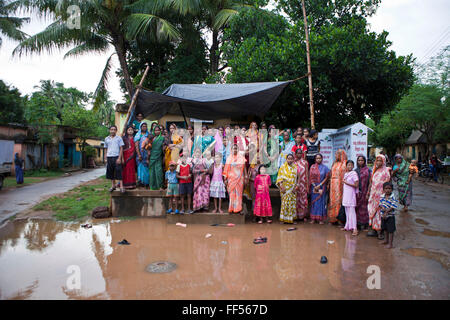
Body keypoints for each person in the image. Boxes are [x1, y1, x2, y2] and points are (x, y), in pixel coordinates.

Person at [367, 154, 392, 239]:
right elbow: (371, 183)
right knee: (373, 213)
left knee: (380, 214)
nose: (378, 162)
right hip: (373, 196)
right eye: (377, 160)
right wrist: (368, 192)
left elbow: (388, 185)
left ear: (384, 161)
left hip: (381, 196)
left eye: (380, 160)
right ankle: (374, 230)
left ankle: (380, 232)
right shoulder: (374, 170)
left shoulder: (386, 171)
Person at [223, 144, 247, 214]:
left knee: (239, 194)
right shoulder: (229, 158)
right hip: (231, 179)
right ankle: (231, 208)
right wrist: (225, 179)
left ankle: (238, 209)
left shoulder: (241, 158)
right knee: (232, 194)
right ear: (231, 150)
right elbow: (226, 169)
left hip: (240, 179)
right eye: (233, 148)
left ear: (238, 150)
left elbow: (244, 167)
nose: (235, 150)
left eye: (236, 148)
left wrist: (246, 176)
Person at [276, 153, 298, 224]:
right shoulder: (282, 167)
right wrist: (282, 187)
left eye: (291, 159)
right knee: (285, 203)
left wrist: (296, 187)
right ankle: (283, 219)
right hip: (285, 188)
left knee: (292, 204)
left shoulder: (295, 167)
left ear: (293, 159)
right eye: (288, 159)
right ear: (286, 159)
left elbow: (298, 178)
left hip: (293, 189)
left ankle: (292, 219)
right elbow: (279, 178)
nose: (290, 160)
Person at [328, 149, 348, 224]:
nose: (336, 155)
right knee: (332, 200)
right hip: (333, 183)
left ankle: (340, 218)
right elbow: (331, 173)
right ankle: (333, 218)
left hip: (340, 184)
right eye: (335, 154)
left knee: (339, 200)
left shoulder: (344, 163)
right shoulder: (334, 163)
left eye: (337, 154)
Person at [309, 153, 330, 224]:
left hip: (321, 186)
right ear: (315, 159)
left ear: (322, 159)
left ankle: (320, 219)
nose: (318, 159)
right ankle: (313, 218)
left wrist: (320, 185)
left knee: (321, 202)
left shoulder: (325, 167)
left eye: (320, 158)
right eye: (317, 158)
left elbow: (327, 177)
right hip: (314, 186)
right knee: (314, 202)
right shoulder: (312, 167)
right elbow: (310, 176)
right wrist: (314, 185)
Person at [105, 125, 125, 193]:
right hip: (109, 157)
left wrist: (120, 158)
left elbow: (121, 148)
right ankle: (113, 186)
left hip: (116, 157)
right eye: (111, 129)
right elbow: (106, 148)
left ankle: (121, 187)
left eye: (114, 129)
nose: (113, 131)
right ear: (109, 130)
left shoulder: (119, 138)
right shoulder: (106, 139)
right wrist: (105, 157)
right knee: (111, 172)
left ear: (116, 131)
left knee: (119, 171)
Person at [379, 182, 399, 249]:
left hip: (390, 216)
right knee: (385, 229)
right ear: (383, 189)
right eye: (386, 188)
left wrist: (386, 212)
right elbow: (380, 204)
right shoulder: (382, 196)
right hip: (383, 216)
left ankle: (390, 244)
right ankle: (386, 240)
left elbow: (393, 207)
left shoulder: (393, 197)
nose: (387, 190)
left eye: (389, 188)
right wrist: (382, 208)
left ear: (392, 189)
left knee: (391, 230)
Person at [341, 160, 359, 236]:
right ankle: (347, 226)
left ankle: (355, 228)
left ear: (353, 166)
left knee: (352, 212)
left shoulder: (354, 173)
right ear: (346, 166)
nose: (350, 166)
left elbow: (356, 185)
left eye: (351, 165)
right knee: (347, 211)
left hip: (351, 194)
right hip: (346, 194)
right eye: (348, 165)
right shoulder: (346, 174)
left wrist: (346, 182)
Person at [355, 156, 371, 230]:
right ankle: (358, 224)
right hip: (357, 193)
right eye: (359, 160)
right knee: (357, 208)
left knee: (365, 208)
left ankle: (365, 224)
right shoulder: (355, 171)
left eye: (362, 160)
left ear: (364, 161)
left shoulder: (368, 170)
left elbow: (371, 182)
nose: (360, 162)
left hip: (366, 192)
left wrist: (368, 192)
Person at [294, 148, 309, 221]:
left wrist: (307, 185)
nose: (299, 154)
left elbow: (306, 174)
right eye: (298, 153)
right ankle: (296, 215)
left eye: (300, 153)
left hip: (303, 184)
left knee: (303, 199)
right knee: (296, 199)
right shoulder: (293, 162)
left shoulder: (305, 162)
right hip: (296, 184)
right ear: (295, 154)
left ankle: (303, 216)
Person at [149, 125, 165, 190]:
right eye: (155, 130)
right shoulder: (151, 138)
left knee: (159, 171)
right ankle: (152, 186)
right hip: (152, 157)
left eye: (158, 130)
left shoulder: (162, 138)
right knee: (152, 172)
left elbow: (164, 147)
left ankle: (160, 186)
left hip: (159, 156)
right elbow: (147, 147)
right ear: (153, 131)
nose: (157, 131)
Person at [134, 122, 150, 188]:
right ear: (140, 127)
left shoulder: (148, 134)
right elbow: (136, 145)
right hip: (140, 154)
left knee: (146, 168)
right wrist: (139, 155)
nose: (144, 127)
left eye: (145, 126)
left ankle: (147, 182)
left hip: (147, 155)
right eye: (143, 126)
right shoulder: (138, 135)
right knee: (140, 168)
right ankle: (141, 182)